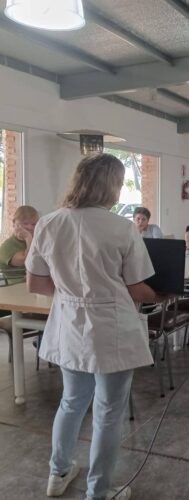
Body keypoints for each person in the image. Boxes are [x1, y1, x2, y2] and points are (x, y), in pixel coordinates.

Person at [25, 154, 161, 500]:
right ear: (110, 185)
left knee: (71, 401)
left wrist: (73, 294)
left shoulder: (48, 223)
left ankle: (58, 473)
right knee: (108, 412)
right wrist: (160, 295)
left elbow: (36, 283)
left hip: (69, 325)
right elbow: (136, 288)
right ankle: (98, 491)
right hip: (112, 328)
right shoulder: (121, 228)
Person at [0, 205, 39, 275]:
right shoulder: (6, 247)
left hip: (38, 279)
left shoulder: (38, 240)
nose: (30, 227)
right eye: (25, 223)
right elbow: (27, 260)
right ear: (14, 223)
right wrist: (28, 238)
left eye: (34, 224)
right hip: (18, 281)